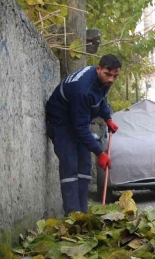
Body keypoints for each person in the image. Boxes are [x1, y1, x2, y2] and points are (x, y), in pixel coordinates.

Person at [45, 55, 121, 216]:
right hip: (61, 123)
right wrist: (100, 153)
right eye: (108, 74)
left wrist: (107, 118)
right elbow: (80, 128)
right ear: (99, 69)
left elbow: (101, 100)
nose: (111, 79)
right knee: (70, 166)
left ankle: (83, 212)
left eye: (115, 76)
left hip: (78, 120)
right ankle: (73, 216)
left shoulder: (102, 80)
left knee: (85, 166)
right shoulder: (82, 89)